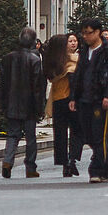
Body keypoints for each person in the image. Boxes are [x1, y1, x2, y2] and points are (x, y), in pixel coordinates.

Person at [73, 18, 108, 182]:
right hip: (84, 98)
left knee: (99, 136)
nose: (85, 36)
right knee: (88, 135)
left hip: (100, 99)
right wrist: (73, 97)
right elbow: (79, 74)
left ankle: (96, 170)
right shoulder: (84, 50)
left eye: (89, 33)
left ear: (98, 32)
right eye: (83, 33)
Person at [0, 27, 46, 179]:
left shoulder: (7, 58)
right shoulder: (35, 60)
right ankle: (30, 167)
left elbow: (3, 84)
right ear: (33, 42)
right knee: (30, 137)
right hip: (29, 105)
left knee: (12, 135)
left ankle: (7, 161)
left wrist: (3, 103)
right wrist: (40, 108)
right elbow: (38, 87)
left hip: (12, 102)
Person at [44, 33, 80, 177]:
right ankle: (72, 159)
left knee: (60, 133)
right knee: (76, 131)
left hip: (57, 100)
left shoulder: (52, 62)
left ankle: (64, 162)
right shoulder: (72, 62)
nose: (72, 43)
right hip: (71, 100)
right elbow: (74, 83)